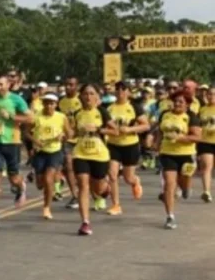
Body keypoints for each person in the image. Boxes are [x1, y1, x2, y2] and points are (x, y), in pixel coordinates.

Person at [0, 72, 33, 228]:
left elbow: (31, 119)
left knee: (14, 179)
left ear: (8, 85)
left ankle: (21, 186)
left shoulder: (16, 100)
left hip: (12, 143)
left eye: (1, 84)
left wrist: (11, 117)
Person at [68, 84, 115, 236]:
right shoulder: (77, 114)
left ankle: (105, 188)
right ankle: (85, 222)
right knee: (82, 185)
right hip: (81, 153)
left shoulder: (102, 112)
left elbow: (115, 131)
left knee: (98, 189)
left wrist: (98, 129)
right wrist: (69, 134)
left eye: (91, 93)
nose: (88, 97)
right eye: (85, 94)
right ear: (80, 96)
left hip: (99, 155)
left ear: (96, 97)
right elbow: (73, 133)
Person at [157, 91, 201, 229]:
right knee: (169, 184)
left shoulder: (191, 117)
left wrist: (180, 138)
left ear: (187, 105)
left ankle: (186, 188)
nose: (177, 104)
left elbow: (197, 137)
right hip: (167, 153)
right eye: (176, 101)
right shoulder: (165, 114)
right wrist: (156, 142)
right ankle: (170, 216)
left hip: (187, 154)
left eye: (181, 102)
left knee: (184, 180)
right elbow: (160, 131)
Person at [105, 81, 147, 215]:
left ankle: (135, 181)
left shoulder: (135, 107)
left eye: (123, 89)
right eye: (117, 89)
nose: (120, 92)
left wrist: (129, 129)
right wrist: (110, 131)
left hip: (130, 145)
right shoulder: (109, 108)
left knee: (128, 178)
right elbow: (104, 125)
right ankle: (116, 205)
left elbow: (146, 126)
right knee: (112, 175)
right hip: (113, 145)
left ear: (129, 92)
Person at [27, 93, 67, 219]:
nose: (49, 106)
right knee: (40, 184)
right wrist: (35, 141)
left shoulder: (61, 117)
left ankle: (47, 208)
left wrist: (63, 136)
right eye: (46, 103)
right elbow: (26, 132)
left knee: (48, 179)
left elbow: (70, 133)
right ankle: (58, 180)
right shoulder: (36, 117)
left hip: (55, 152)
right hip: (40, 152)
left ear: (56, 104)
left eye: (52, 103)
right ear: (43, 104)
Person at [59, 77, 83, 208]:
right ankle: (75, 195)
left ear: (76, 86)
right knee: (68, 166)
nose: (68, 87)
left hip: (83, 138)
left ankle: (97, 194)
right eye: (66, 84)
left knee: (83, 170)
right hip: (68, 139)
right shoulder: (61, 102)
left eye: (71, 85)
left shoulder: (82, 100)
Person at [197, 86, 215, 202]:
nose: (211, 96)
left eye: (213, 94)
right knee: (207, 166)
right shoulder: (202, 109)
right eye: (209, 94)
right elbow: (198, 126)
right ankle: (206, 192)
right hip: (205, 141)